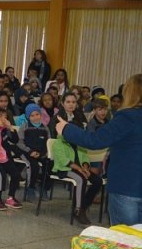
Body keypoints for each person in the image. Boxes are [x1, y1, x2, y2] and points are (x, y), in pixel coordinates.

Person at [54, 73, 141, 225]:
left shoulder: (128, 116)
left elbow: (95, 140)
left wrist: (66, 128)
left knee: (125, 240)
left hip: (128, 185)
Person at [17, 103, 52, 198]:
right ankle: (31, 187)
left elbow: (48, 143)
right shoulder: (24, 127)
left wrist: (42, 153)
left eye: (37, 114)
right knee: (34, 166)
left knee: (48, 165)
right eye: (32, 115)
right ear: (28, 117)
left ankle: (44, 187)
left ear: (40, 115)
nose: (35, 117)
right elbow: (20, 143)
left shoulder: (45, 128)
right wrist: (30, 151)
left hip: (41, 153)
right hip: (28, 153)